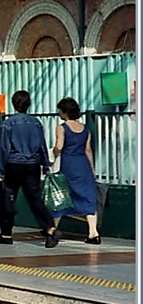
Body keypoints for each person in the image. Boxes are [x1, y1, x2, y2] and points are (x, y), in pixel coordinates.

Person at [0, 90, 58, 247]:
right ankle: (49, 227)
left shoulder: (8, 124)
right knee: (35, 198)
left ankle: (6, 234)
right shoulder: (36, 123)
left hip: (13, 165)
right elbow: (42, 145)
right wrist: (45, 164)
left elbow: (3, 149)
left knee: (8, 199)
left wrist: (1, 172)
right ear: (28, 104)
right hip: (33, 164)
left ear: (13, 104)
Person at [49, 97, 100, 245]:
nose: (58, 112)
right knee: (88, 198)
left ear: (64, 112)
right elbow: (88, 150)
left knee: (61, 198)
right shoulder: (85, 129)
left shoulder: (62, 127)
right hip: (83, 165)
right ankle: (93, 233)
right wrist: (92, 169)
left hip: (68, 165)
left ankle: (52, 230)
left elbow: (59, 146)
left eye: (60, 110)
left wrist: (53, 154)